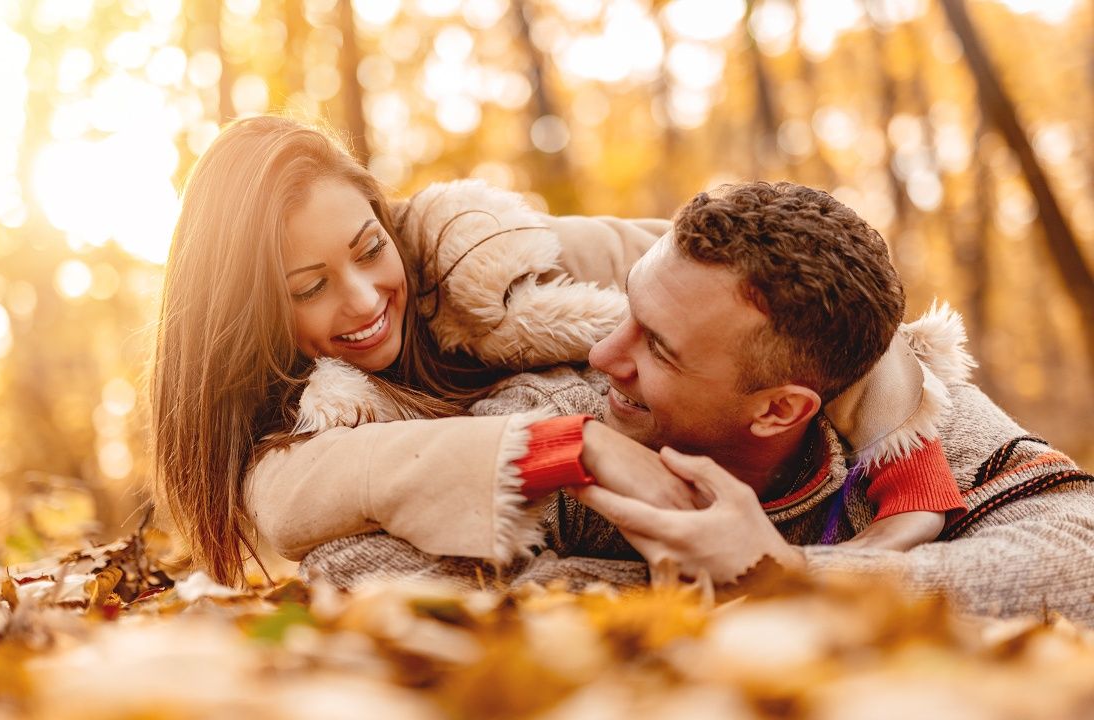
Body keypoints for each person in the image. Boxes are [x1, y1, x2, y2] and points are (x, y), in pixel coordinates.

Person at [151, 115, 959, 589]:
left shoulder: (495, 260)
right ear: (248, 313)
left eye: (370, 248)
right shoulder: (292, 432)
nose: (363, 300)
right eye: (306, 288)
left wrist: (908, 482)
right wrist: (579, 447)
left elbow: (808, 291)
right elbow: (295, 498)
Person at [543, 182, 1094, 622]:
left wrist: (785, 575)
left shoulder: (921, 424)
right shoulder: (558, 411)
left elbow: (1082, 562)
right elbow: (464, 577)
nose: (602, 354)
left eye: (659, 349)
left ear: (779, 410)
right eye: (629, 308)